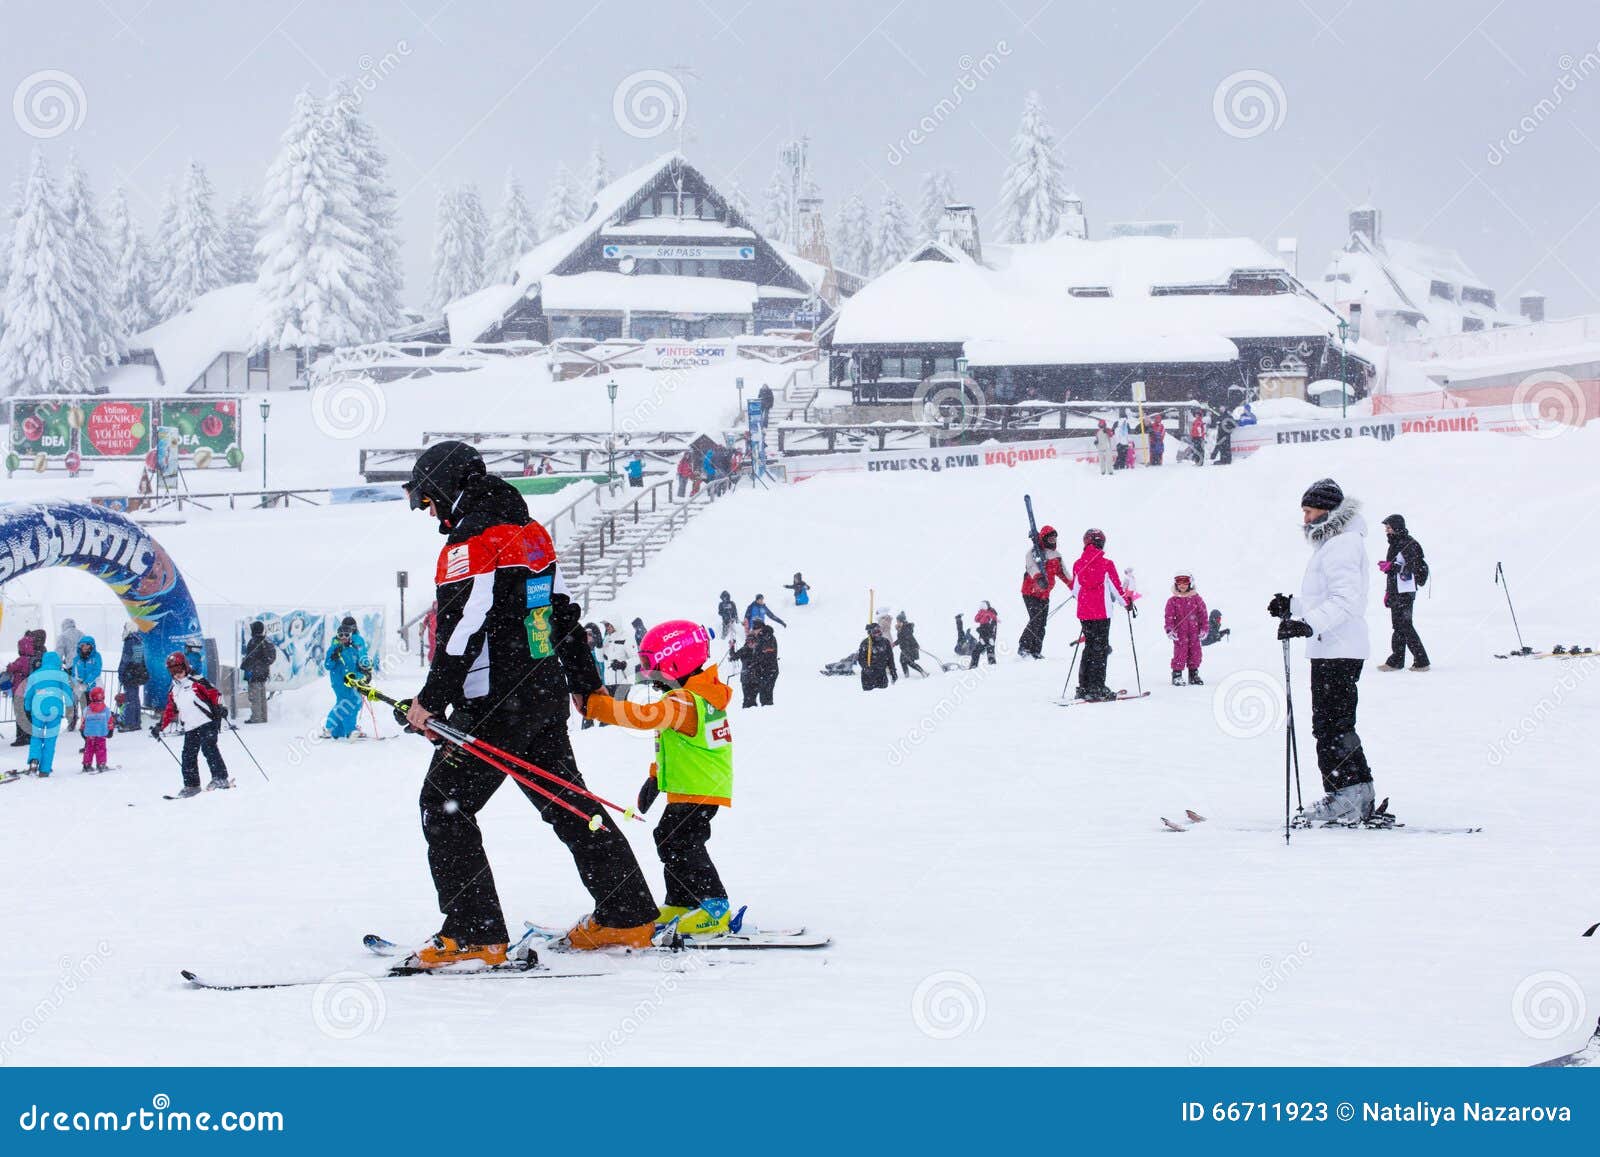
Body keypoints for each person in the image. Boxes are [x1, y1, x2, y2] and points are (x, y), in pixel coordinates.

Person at [400, 439, 658, 963]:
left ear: (448, 487)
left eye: (428, 501)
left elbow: (462, 629)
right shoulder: (531, 531)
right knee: (569, 804)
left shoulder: (473, 540)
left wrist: (431, 700)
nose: (430, 514)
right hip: (541, 695)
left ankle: (476, 935)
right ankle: (626, 915)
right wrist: (585, 684)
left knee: (443, 806)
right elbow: (561, 611)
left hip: (493, 704)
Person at [584, 621, 736, 937]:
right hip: (694, 786)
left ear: (673, 662)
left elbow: (644, 717)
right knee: (669, 838)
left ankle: (714, 906)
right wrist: (655, 777)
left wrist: (596, 706)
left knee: (683, 842)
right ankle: (683, 901)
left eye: (653, 669)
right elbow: (677, 744)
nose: (650, 677)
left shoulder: (684, 700)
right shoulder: (694, 694)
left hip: (698, 789)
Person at [1269, 478, 1379, 825]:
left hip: (1339, 648)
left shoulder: (1342, 545)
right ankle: (1353, 794)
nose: (1305, 518)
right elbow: (1326, 599)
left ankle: (1347, 797)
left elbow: (1347, 601)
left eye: (1309, 510)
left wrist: (1307, 624)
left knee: (1332, 726)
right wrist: (1294, 606)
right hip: (1332, 646)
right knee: (1331, 725)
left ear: (1327, 510)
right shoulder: (1334, 544)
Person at [153, 651, 232, 796]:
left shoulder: (197, 681)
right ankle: (192, 785)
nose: (177, 673)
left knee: (209, 748)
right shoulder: (174, 689)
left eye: (179, 669)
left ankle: (220, 778)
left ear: (186, 667)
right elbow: (170, 710)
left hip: (206, 722)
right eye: (173, 670)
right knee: (188, 755)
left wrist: (221, 708)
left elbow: (215, 694)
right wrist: (160, 726)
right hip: (190, 726)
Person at [1067, 528, 1131, 702]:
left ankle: (1083, 687)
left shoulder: (1078, 564)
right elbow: (1117, 588)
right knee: (1100, 649)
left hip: (1084, 613)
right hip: (1102, 612)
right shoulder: (1106, 564)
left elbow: (1074, 591)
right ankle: (1097, 687)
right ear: (1101, 543)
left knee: (1089, 647)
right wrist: (1127, 603)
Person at [1377, 514, 1430, 672]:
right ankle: (1396, 661)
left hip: (1406, 592)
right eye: (1386, 527)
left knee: (1405, 625)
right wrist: (1388, 591)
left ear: (1397, 527)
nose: (1386, 530)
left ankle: (1422, 661)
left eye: (1389, 527)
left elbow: (1413, 568)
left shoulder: (1409, 543)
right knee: (1398, 626)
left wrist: (1391, 567)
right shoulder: (1394, 543)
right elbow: (1396, 568)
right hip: (1395, 590)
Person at [1019, 524, 1067, 659]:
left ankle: (1036, 650)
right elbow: (1030, 566)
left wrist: (1075, 587)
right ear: (1044, 539)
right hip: (1030, 592)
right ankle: (1024, 647)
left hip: (1045, 594)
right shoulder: (1033, 553)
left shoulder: (1057, 556)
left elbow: (1064, 574)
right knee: (1036, 620)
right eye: (1050, 538)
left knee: (1042, 623)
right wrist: (1038, 577)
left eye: (1054, 538)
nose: (1053, 541)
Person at [22, 651, 72, 776]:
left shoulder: (35, 675)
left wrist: (27, 707)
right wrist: (70, 709)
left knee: (36, 737)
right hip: (55, 711)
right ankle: (44, 769)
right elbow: (68, 693)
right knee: (50, 739)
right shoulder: (61, 675)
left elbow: (28, 694)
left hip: (38, 710)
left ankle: (34, 760)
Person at [324, 617, 371, 738]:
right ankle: (346, 729)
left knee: (354, 702)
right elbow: (328, 665)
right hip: (339, 680)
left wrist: (364, 673)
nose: (343, 637)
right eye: (341, 634)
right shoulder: (335, 646)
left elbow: (359, 660)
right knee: (346, 703)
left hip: (352, 679)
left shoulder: (353, 647)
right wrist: (334, 655)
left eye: (346, 634)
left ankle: (337, 730)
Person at [1165, 571, 1208, 686]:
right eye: (1179, 583)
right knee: (1180, 653)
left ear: (1190, 583)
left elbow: (1203, 616)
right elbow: (1168, 617)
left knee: (1195, 653)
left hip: (1194, 632)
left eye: (1185, 582)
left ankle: (1193, 674)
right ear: (1176, 584)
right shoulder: (1173, 601)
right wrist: (1170, 629)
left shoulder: (1197, 599)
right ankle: (1177, 675)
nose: (1182, 585)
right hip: (1180, 633)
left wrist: (1204, 629)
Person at [733, 620, 779, 707]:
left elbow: (766, 656)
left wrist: (754, 664)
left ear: (760, 629)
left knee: (765, 698)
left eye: (755, 629)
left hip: (769, 670)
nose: (754, 631)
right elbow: (738, 655)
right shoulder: (760, 638)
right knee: (762, 697)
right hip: (761, 672)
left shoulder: (766, 636)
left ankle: (768, 713)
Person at [240, 620, 276, 724]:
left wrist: (244, 665)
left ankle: (256, 718)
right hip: (264, 672)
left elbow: (250, 657)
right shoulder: (266, 641)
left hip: (254, 673)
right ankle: (263, 717)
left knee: (254, 697)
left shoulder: (253, 641)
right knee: (262, 696)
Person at [116, 623, 149, 731]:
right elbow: (139, 658)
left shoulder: (129, 641)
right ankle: (136, 721)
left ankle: (129, 723)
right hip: (137, 673)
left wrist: (121, 673)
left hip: (129, 673)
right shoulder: (139, 640)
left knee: (130, 699)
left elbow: (125, 659)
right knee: (135, 698)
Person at [70, 635, 103, 731]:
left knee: (92, 707)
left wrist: (86, 682)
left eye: (87, 645)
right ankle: (75, 722)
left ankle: (91, 725)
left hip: (93, 687)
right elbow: (73, 673)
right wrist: (76, 681)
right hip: (80, 687)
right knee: (77, 705)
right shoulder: (77, 659)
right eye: (83, 645)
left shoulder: (96, 657)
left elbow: (97, 671)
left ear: (91, 646)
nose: (85, 647)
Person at [6, 635, 34, 747]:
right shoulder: (33, 659)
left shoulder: (21, 660)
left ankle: (21, 737)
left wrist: (9, 666)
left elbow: (11, 668)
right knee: (27, 714)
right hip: (28, 691)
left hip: (19, 691)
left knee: (19, 715)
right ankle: (29, 735)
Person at [80, 686, 115, 772]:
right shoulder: (106, 710)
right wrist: (110, 730)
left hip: (90, 734)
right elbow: (110, 721)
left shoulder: (87, 709)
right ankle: (101, 764)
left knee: (89, 749)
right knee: (101, 749)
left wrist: (82, 730)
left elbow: (83, 721)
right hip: (101, 733)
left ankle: (87, 764)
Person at [601, 621, 636, 700]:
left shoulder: (626, 637)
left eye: (608, 625)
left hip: (623, 681)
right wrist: (598, 646)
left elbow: (637, 658)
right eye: (605, 625)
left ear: (615, 623)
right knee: (611, 709)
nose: (607, 627)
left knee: (621, 708)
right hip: (609, 681)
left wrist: (624, 664)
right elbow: (600, 658)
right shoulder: (606, 639)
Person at [857, 622, 898, 690]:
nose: (878, 633)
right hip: (868, 676)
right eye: (875, 632)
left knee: (882, 697)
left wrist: (893, 671)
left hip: (881, 675)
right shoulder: (866, 643)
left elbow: (890, 658)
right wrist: (866, 668)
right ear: (870, 633)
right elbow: (861, 659)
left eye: (879, 631)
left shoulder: (885, 642)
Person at [895, 612, 927, 677]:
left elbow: (910, 637)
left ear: (901, 621)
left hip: (909, 648)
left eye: (898, 621)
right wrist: (894, 643)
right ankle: (919, 672)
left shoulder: (905, 628)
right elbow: (901, 639)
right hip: (906, 648)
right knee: (907, 662)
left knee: (905, 662)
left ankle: (909, 675)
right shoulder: (902, 628)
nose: (897, 622)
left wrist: (915, 645)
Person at [973, 601, 998, 666]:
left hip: (987, 637)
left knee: (977, 651)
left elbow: (990, 627)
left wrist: (988, 636)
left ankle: (973, 665)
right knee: (989, 651)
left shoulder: (990, 615)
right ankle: (992, 664)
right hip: (987, 637)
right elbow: (976, 619)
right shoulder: (989, 614)